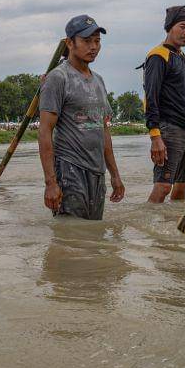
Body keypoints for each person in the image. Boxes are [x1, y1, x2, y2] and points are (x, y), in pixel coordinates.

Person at [38, 15, 124, 220]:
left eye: (97, 41)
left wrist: (115, 175)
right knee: (71, 234)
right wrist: (50, 183)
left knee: (91, 238)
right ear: (70, 43)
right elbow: (45, 132)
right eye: (86, 41)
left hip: (97, 172)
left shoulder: (99, 81)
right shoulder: (58, 78)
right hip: (69, 169)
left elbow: (103, 131)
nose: (93, 46)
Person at [143, 5, 185, 203]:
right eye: (182, 27)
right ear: (169, 27)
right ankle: (151, 229)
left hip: (184, 129)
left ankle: (173, 229)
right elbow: (151, 98)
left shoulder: (182, 57)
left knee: (182, 184)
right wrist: (155, 136)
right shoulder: (158, 56)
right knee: (164, 185)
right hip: (167, 128)